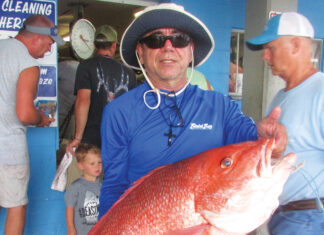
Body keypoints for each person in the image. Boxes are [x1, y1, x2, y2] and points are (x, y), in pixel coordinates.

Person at [98, 3, 288, 218]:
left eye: (179, 39)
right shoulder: (118, 112)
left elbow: (256, 148)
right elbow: (113, 187)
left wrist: (270, 141)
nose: (168, 47)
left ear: (191, 52)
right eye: (155, 40)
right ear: (140, 53)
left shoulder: (221, 107)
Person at [247, 12, 324, 235]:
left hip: (310, 217)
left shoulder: (320, 90)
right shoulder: (281, 96)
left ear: (296, 45)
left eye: (271, 48)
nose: (265, 56)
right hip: (288, 217)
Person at [0, 14, 63, 235]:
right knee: (16, 207)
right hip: (7, 150)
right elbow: (25, 113)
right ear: (37, 37)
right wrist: (41, 118)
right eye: (49, 44)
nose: (48, 51)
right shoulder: (27, 63)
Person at [66, 25, 137, 154]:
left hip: (92, 139)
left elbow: (83, 101)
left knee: (92, 173)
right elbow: (133, 110)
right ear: (114, 45)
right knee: (115, 174)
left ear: (94, 45)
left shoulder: (86, 67)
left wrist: (78, 137)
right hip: (119, 139)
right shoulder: (129, 73)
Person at [65, 143, 102, 235]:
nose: (97, 166)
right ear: (81, 166)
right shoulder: (76, 186)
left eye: (99, 162)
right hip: (82, 231)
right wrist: (70, 227)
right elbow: (70, 208)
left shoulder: (103, 185)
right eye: (92, 164)